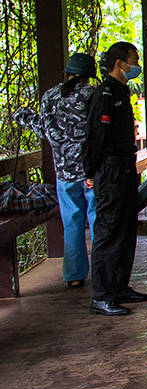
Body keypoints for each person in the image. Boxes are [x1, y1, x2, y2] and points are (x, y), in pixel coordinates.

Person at [83, 42, 147, 316]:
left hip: (125, 167)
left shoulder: (121, 91)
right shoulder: (103, 94)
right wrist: (90, 171)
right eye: (133, 60)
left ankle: (119, 287)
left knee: (126, 229)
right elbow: (95, 136)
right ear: (119, 63)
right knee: (109, 230)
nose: (135, 65)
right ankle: (102, 295)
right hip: (110, 170)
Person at [16, 52, 98, 288]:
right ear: (89, 76)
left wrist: (24, 117)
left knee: (72, 223)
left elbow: (44, 129)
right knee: (96, 220)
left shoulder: (50, 95)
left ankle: (74, 276)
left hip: (63, 172)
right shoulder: (91, 94)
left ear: (68, 72)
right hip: (90, 171)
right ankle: (103, 272)